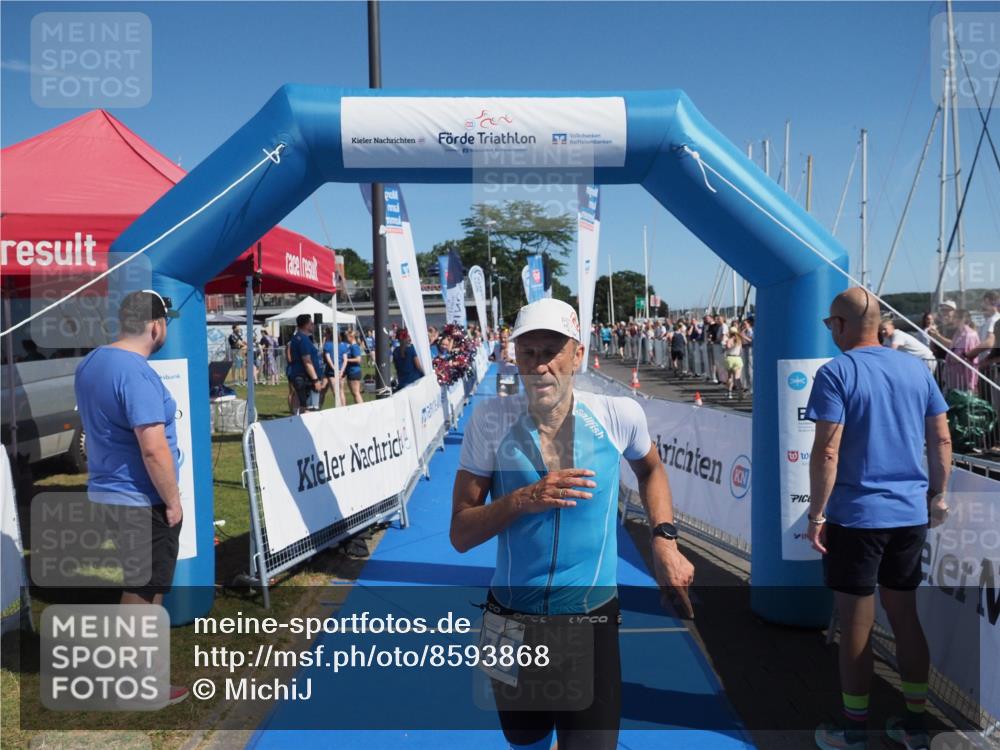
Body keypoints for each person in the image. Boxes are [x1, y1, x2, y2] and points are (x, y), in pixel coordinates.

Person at [450, 298, 694, 750]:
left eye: (552, 351)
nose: (540, 366)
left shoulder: (618, 415)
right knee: (526, 741)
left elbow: (652, 471)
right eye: (529, 353)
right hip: (507, 621)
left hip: (590, 619)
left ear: (577, 355)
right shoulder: (490, 421)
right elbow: (461, 533)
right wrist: (524, 498)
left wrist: (663, 539)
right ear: (514, 357)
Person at [806, 288, 951, 750]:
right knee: (905, 617)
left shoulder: (837, 372)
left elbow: (828, 450)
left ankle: (854, 730)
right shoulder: (915, 368)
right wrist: (938, 494)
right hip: (909, 514)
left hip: (857, 517)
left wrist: (816, 513)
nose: (831, 333)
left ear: (844, 326)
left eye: (831, 325)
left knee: (856, 624)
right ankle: (914, 723)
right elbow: (942, 441)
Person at [74, 289, 189, 706]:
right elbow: (153, 447)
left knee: (143, 585)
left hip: (109, 491)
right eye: (166, 324)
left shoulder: (91, 362)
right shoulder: (136, 372)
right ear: (156, 326)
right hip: (140, 497)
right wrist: (172, 501)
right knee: (142, 591)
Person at [286, 314, 323, 415]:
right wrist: (315, 380)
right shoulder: (303, 340)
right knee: (309, 408)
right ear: (306, 325)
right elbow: (307, 361)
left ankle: (297, 422)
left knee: (302, 404)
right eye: (311, 323)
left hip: (300, 376)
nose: (313, 325)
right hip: (305, 378)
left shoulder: (297, 337)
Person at [944, 309, 980, 393]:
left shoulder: (969, 335)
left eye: (955, 317)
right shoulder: (958, 333)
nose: (953, 320)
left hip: (964, 378)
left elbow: (967, 357)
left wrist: (952, 358)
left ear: (962, 319)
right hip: (954, 377)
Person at [492, 327, 519, 396]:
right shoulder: (496, 346)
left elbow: (520, 364)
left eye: (505, 337)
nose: (503, 340)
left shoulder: (514, 347)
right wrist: (492, 358)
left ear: (509, 337)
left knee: (513, 400)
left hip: (513, 376)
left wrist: (510, 360)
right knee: (502, 398)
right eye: (501, 338)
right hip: (501, 376)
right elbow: (493, 357)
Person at [343, 329, 364, 404]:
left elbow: (358, 359)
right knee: (354, 393)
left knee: (356, 393)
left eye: (347, 336)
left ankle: (362, 409)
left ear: (351, 337)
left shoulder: (354, 347)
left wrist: (346, 360)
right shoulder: (351, 346)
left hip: (354, 371)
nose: (346, 338)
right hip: (351, 371)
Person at [722, 326, 743, 400]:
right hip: (737, 358)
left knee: (730, 377)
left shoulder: (729, 340)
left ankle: (729, 393)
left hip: (729, 358)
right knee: (737, 377)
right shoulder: (739, 340)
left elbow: (727, 347)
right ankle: (740, 394)